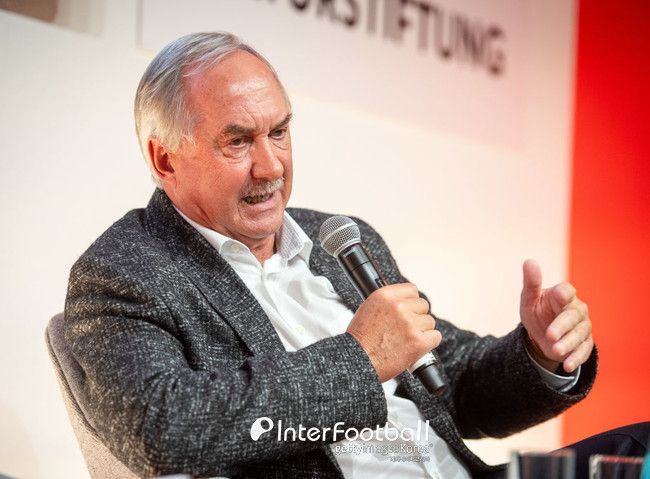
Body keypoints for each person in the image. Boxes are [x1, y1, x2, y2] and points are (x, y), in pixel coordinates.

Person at [64, 32, 599, 478]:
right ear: (165, 159)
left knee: (634, 445)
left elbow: (450, 383)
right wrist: (360, 361)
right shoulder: (124, 271)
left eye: (279, 132)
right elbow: (165, 429)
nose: (271, 167)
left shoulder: (340, 239)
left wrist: (539, 353)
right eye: (238, 142)